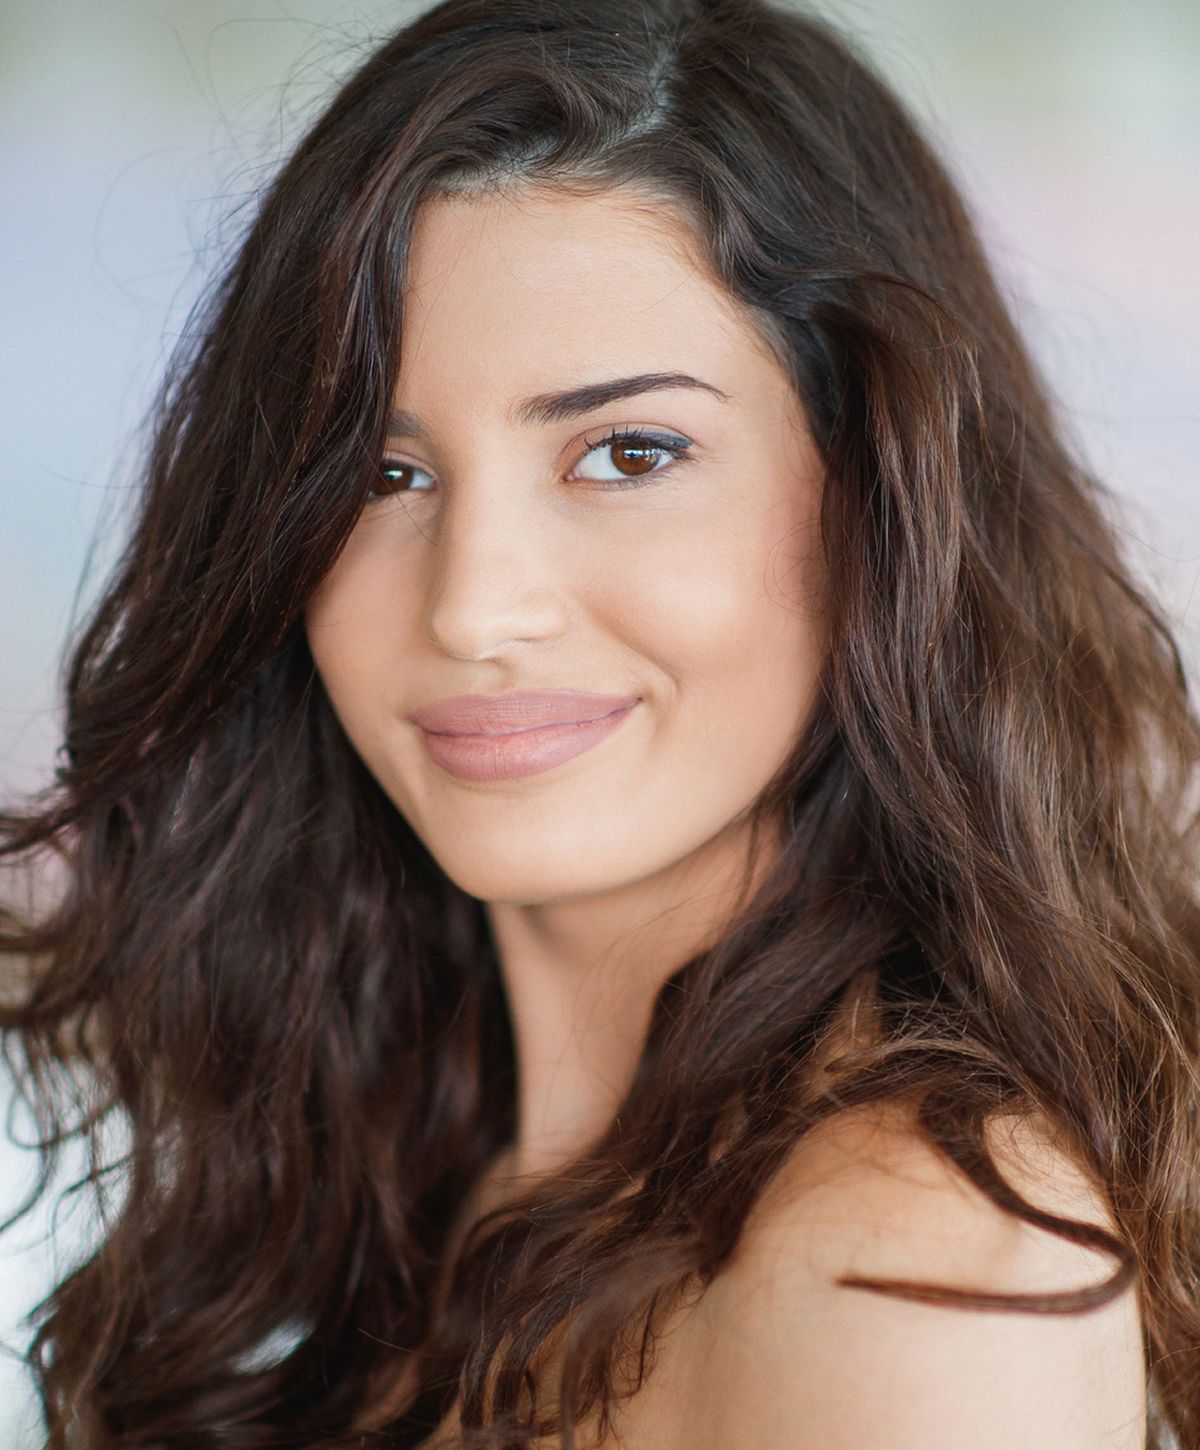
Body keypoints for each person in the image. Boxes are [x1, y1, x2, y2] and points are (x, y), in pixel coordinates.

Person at [1, 0, 1195, 1445]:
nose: (471, 609)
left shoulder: (912, 1260)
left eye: (628, 453)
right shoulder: (411, 1172)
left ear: (883, 499)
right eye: (379, 472)